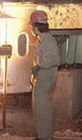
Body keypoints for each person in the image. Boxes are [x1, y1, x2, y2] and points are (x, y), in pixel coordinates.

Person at [30, 10, 61, 140]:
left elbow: (56, 60)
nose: (31, 29)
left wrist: (40, 66)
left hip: (45, 83)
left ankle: (46, 137)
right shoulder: (40, 41)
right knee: (38, 112)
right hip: (39, 82)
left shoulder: (49, 41)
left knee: (43, 113)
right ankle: (40, 136)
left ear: (35, 27)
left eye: (32, 25)